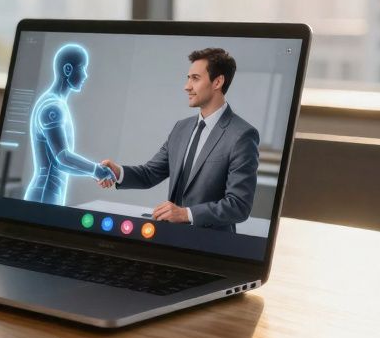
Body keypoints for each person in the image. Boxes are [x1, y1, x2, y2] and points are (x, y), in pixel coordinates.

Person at [97, 47, 260, 232]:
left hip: (210, 247)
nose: (187, 86)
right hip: (170, 238)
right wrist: (119, 172)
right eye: (188, 78)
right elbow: (150, 174)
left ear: (218, 82)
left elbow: (239, 205)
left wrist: (186, 214)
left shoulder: (242, 135)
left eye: (195, 78)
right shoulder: (181, 128)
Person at [24, 43, 116, 206]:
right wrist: (95, 169)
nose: (86, 75)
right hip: (45, 195)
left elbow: (60, 165)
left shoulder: (54, 104)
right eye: (82, 68)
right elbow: (63, 157)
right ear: (67, 70)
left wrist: (95, 173)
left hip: (49, 194)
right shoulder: (53, 107)